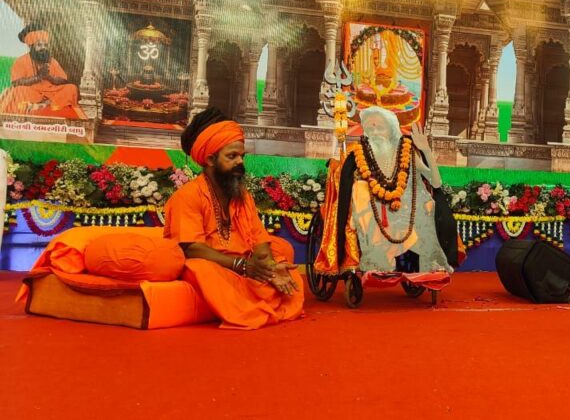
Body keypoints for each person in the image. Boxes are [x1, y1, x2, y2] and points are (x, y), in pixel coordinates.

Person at [163, 108, 303, 329]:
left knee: (281, 252)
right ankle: (246, 303)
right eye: (232, 156)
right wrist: (242, 266)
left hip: (242, 263)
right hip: (213, 264)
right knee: (202, 270)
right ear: (210, 159)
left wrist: (269, 268)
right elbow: (192, 248)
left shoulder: (241, 195)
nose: (240, 162)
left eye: (242, 156)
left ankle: (250, 298)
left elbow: (259, 238)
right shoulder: (188, 196)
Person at [330, 106, 453, 273]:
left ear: (391, 130)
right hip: (370, 213)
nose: (375, 132)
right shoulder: (359, 155)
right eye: (370, 128)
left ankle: (423, 261)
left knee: (426, 210)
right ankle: (378, 260)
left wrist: (425, 149)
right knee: (360, 187)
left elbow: (436, 183)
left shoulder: (407, 152)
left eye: (380, 128)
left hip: (405, 212)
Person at [0, 24, 80, 115]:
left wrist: (49, 77)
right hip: (32, 92)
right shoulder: (21, 61)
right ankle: (45, 104)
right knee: (18, 91)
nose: (43, 48)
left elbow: (63, 80)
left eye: (45, 45)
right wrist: (39, 77)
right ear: (31, 46)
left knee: (71, 88)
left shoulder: (52, 61)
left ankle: (44, 104)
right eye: (39, 45)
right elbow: (16, 82)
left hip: (51, 92)